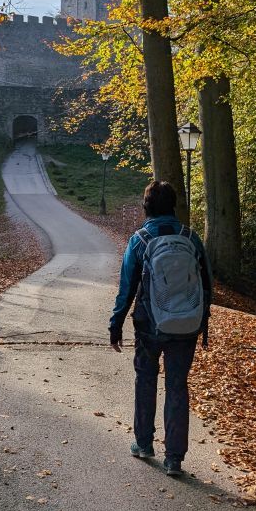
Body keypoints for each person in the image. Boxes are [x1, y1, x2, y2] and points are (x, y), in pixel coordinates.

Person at [109, 180, 212, 477]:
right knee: (177, 386)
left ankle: (143, 443)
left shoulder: (139, 240)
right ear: (174, 206)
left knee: (146, 380)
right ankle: (174, 459)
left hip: (149, 324)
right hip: (186, 326)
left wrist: (116, 325)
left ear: (147, 207)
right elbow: (207, 284)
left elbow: (126, 287)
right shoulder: (190, 237)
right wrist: (201, 321)